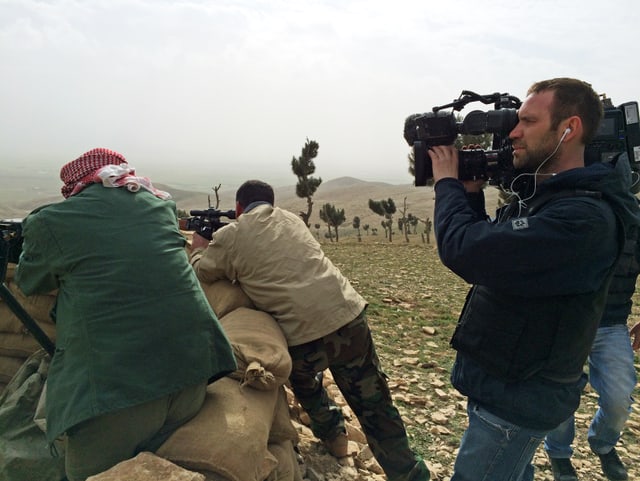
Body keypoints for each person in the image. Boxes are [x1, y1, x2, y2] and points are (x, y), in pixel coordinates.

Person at [427, 77, 640, 481]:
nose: (513, 132)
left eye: (527, 121)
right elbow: (496, 253)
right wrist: (470, 193)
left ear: (568, 129)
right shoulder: (555, 200)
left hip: (517, 398)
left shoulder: (581, 218)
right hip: (510, 385)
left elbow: (465, 250)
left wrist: (448, 185)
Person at [14, 148, 237, 481]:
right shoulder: (160, 207)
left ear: (76, 186)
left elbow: (29, 281)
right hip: (194, 378)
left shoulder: (52, 221)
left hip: (118, 397)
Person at [189, 179, 430, 481]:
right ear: (271, 202)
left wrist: (200, 247)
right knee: (376, 406)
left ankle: (333, 434)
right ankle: (410, 473)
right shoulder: (291, 219)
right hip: (350, 319)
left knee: (303, 383)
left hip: (304, 342)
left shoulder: (233, 235)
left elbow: (203, 271)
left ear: (238, 208)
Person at [544, 159, 640, 481]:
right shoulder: (567, 210)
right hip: (564, 323)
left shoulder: (635, 222)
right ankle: (558, 455)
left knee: (619, 396)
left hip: (610, 324)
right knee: (559, 393)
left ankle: (603, 444)